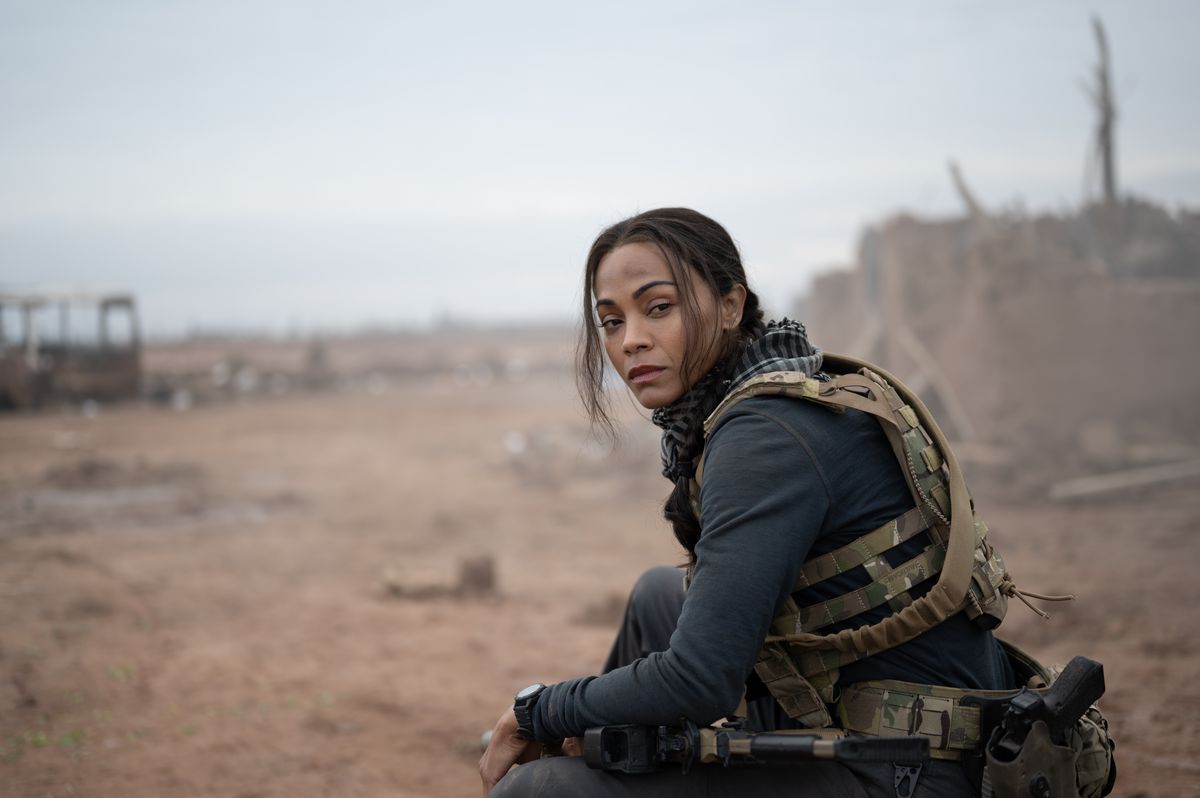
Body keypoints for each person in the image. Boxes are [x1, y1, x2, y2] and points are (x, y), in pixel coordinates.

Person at [478, 208, 1022, 797]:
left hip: (910, 770)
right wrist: (583, 719)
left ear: (732, 305)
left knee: (539, 791)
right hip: (861, 717)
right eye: (611, 321)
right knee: (658, 597)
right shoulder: (777, 389)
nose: (630, 338)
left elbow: (699, 681)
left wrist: (540, 710)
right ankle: (600, 756)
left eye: (658, 307)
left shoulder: (764, 435)